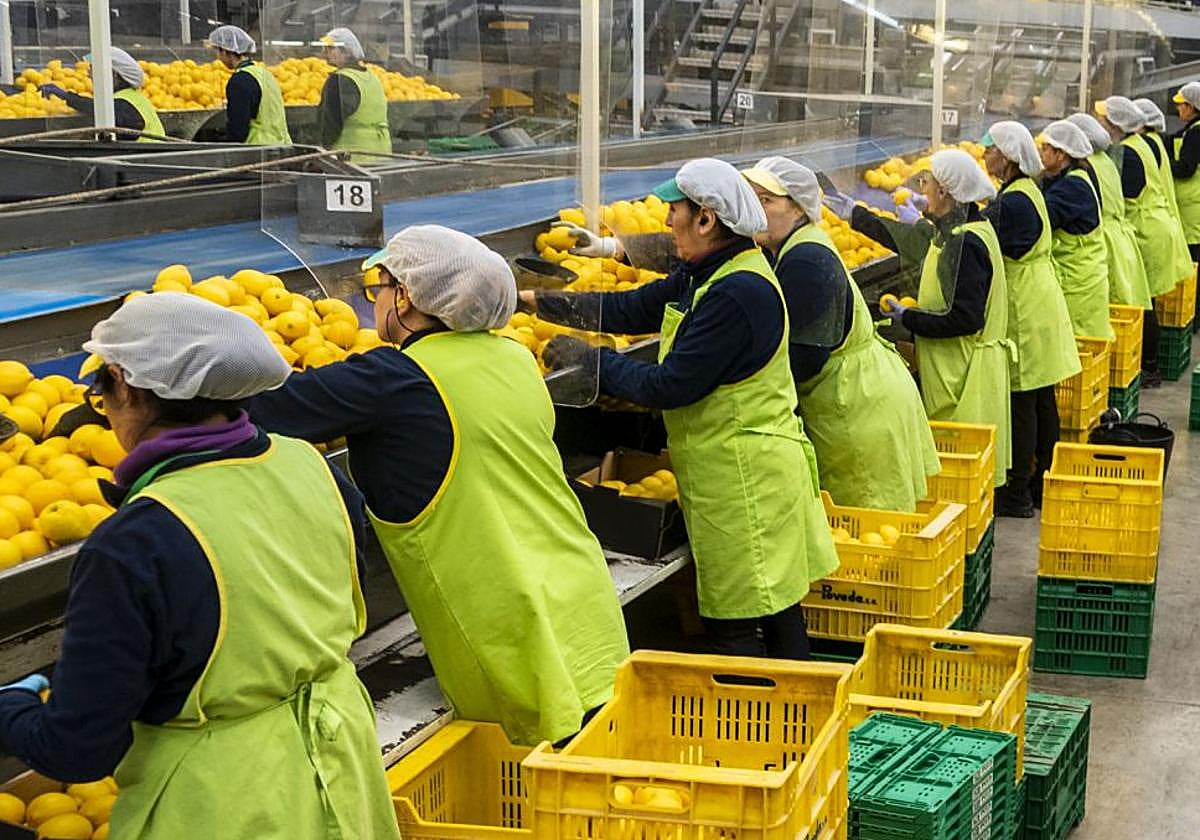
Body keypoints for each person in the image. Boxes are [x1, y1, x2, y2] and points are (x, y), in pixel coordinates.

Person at [0, 294, 399, 839]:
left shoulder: (135, 542)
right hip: (340, 765)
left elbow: (76, 749)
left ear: (129, 384)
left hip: (223, 803)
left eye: (102, 391)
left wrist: (13, 706)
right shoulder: (313, 466)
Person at [250, 226, 629, 745]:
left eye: (377, 288)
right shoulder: (515, 358)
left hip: (508, 626)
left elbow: (262, 408)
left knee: (539, 794)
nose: (374, 301)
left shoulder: (392, 379)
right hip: (582, 601)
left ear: (404, 297)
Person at [526, 158, 839, 660]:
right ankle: (794, 726)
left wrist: (594, 362)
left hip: (744, 480)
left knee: (736, 624)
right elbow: (633, 307)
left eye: (674, 210)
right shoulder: (711, 272)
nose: (667, 221)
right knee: (776, 607)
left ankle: (761, 732)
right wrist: (536, 302)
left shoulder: (738, 292)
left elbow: (670, 385)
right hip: (739, 470)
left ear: (706, 218)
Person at [739, 155, 939, 511]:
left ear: (799, 208)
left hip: (856, 410)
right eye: (751, 198)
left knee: (865, 535)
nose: (755, 209)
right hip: (865, 396)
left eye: (766, 200)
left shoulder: (806, 261)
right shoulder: (792, 246)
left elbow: (804, 357)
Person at [827, 148, 1012, 489]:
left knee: (959, 475)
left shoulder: (964, 244)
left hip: (963, 374)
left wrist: (909, 318)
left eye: (926, 183)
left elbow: (964, 318)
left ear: (944, 191)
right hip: (960, 367)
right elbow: (916, 240)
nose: (922, 190)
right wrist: (858, 216)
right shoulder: (966, 228)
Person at [979, 122, 1080, 517]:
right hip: (1041, 301)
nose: (984, 155)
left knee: (1023, 402)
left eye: (989, 149)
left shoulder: (1014, 203)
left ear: (1005, 157)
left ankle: (1018, 492)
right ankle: (1042, 484)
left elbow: (977, 239)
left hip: (1025, 308)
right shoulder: (1026, 191)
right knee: (1041, 400)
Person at [1097, 96, 1191, 385]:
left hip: (1146, 230)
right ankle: (1151, 364)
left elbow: (1128, 192)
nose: (1099, 123)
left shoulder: (1127, 152)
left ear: (1115, 125)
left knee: (1142, 303)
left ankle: (1150, 367)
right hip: (1154, 224)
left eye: (1103, 119)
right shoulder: (1141, 143)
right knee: (1144, 300)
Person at [1035, 120, 1114, 339]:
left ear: (1061, 155)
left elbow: (1040, 219)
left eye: (1045, 148)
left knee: (1078, 344)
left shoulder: (1073, 187)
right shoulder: (1073, 177)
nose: (1041, 153)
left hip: (1078, 282)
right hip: (1078, 277)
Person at [1066, 112, 1153, 310]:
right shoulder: (1104, 159)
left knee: (1115, 306)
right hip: (1120, 238)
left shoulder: (1086, 167)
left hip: (1107, 243)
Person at [37, 48, 164, 141]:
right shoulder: (134, 98)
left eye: (94, 69)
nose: (89, 75)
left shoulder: (125, 102)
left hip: (144, 163)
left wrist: (66, 96)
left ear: (113, 75)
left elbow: (103, 110)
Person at [208, 25, 292, 145]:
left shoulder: (239, 81)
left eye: (218, 51)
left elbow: (238, 130)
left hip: (257, 149)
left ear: (226, 51)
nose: (218, 57)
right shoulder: (265, 74)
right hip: (282, 145)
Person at [317, 27, 391, 161]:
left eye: (331, 48)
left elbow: (330, 124)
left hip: (352, 158)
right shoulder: (373, 78)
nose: (324, 52)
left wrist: (322, 152)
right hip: (381, 153)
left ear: (347, 52)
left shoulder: (339, 80)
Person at [1171, 82, 1200, 264]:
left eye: (1181, 105)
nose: (1178, 108)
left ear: (1191, 106)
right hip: (1193, 204)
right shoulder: (1191, 130)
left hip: (1192, 207)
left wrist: (1164, 165)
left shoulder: (1196, 133)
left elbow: (1185, 169)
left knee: (1192, 261)